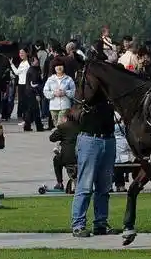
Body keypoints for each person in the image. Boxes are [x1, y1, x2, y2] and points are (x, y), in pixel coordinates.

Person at [70, 74, 118, 237]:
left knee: (104, 187)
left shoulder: (110, 94)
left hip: (108, 139)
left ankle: (100, 223)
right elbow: (83, 99)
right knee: (85, 185)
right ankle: (78, 224)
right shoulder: (87, 92)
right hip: (90, 139)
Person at [49, 114, 79, 191]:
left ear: (66, 118)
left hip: (67, 157)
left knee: (56, 160)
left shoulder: (63, 127)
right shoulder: (82, 126)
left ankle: (59, 182)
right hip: (80, 156)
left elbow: (52, 138)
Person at [43, 58, 75, 128]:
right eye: (57, 66)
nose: (59, 67)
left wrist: (65, 92)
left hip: (65, 106)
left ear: (64, 67)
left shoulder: (69, 79)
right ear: (54, 68)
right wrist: (54, 93)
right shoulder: (50, 79)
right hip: (53, 107)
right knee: (57, 126)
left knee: (60, 125)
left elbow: (73, 92)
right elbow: (45, 91)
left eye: (60, 65)